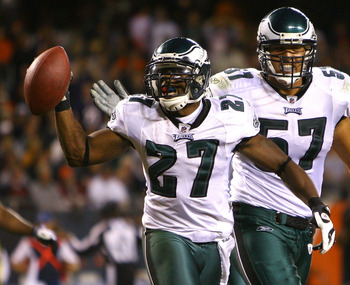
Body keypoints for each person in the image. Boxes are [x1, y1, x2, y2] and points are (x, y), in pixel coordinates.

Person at [53, 37, 334, 285]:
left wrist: (315, 202)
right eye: (162, 76)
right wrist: (61, 100)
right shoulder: (137, 114)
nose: (167, 85)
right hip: (167, 231)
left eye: (177, 77)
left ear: (199, 79)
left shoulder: (228, 116)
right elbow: (80, 154)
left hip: (219, 237)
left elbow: (281, 164)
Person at [208, 7, 349, 285]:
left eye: (296, 49)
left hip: (305, 221)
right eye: (278, 48)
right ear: (262, 51)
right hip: (255, 213)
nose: (288, 56)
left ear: (310, 50)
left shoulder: (333, 89)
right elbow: (189, 119)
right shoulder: (236, 87)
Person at [69, 201, 140, 285]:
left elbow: (82, 249)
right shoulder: (130, 225)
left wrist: (70, 239)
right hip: (131, 269)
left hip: (114, 268)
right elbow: (142, 240)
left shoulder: (103, 227)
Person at [11, 212, 80, 285]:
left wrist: (62, 268)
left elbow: (74, 264)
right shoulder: (29, 242)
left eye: (46, 223)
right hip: (34, 281)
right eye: (40, 224)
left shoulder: (60, 242)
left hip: (55, 281)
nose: (43, 227)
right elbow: (14, 262)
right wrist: (30, 268)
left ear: (53, 224)